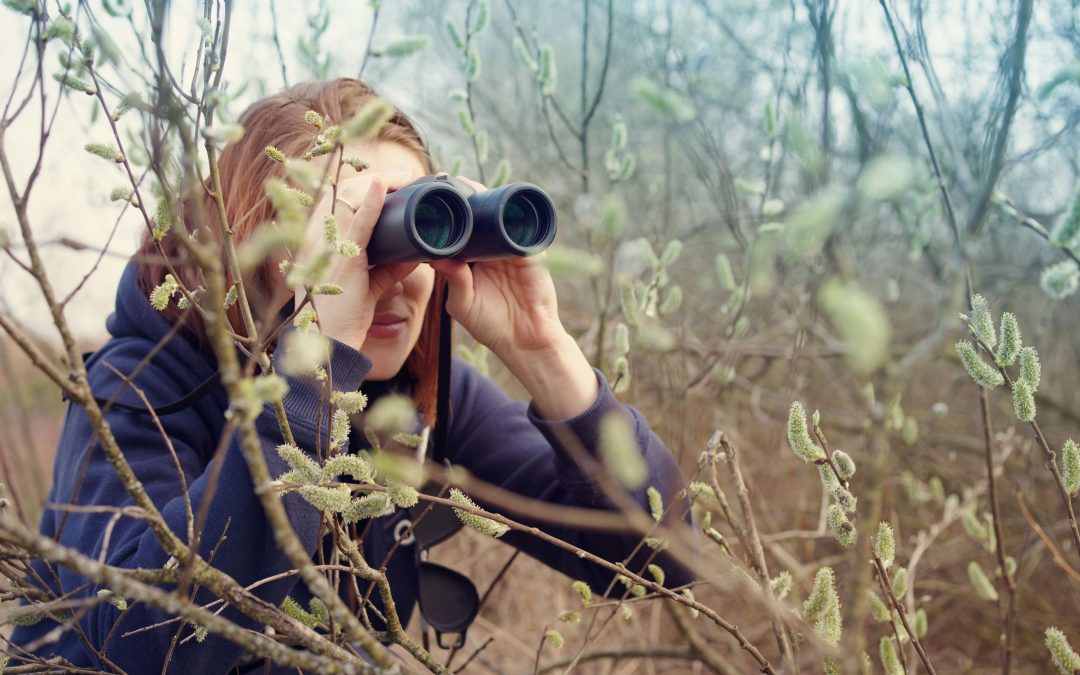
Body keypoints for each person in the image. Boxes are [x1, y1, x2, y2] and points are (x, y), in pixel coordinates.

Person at [11, 78, 689, 672]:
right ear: (256, 252)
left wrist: (547, 353)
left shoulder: (414, 398)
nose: (392, 276)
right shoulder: (143, 383)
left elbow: (657, 562)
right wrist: (310, 378)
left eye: (414, 227)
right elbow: (154, 646)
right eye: (347, 234)